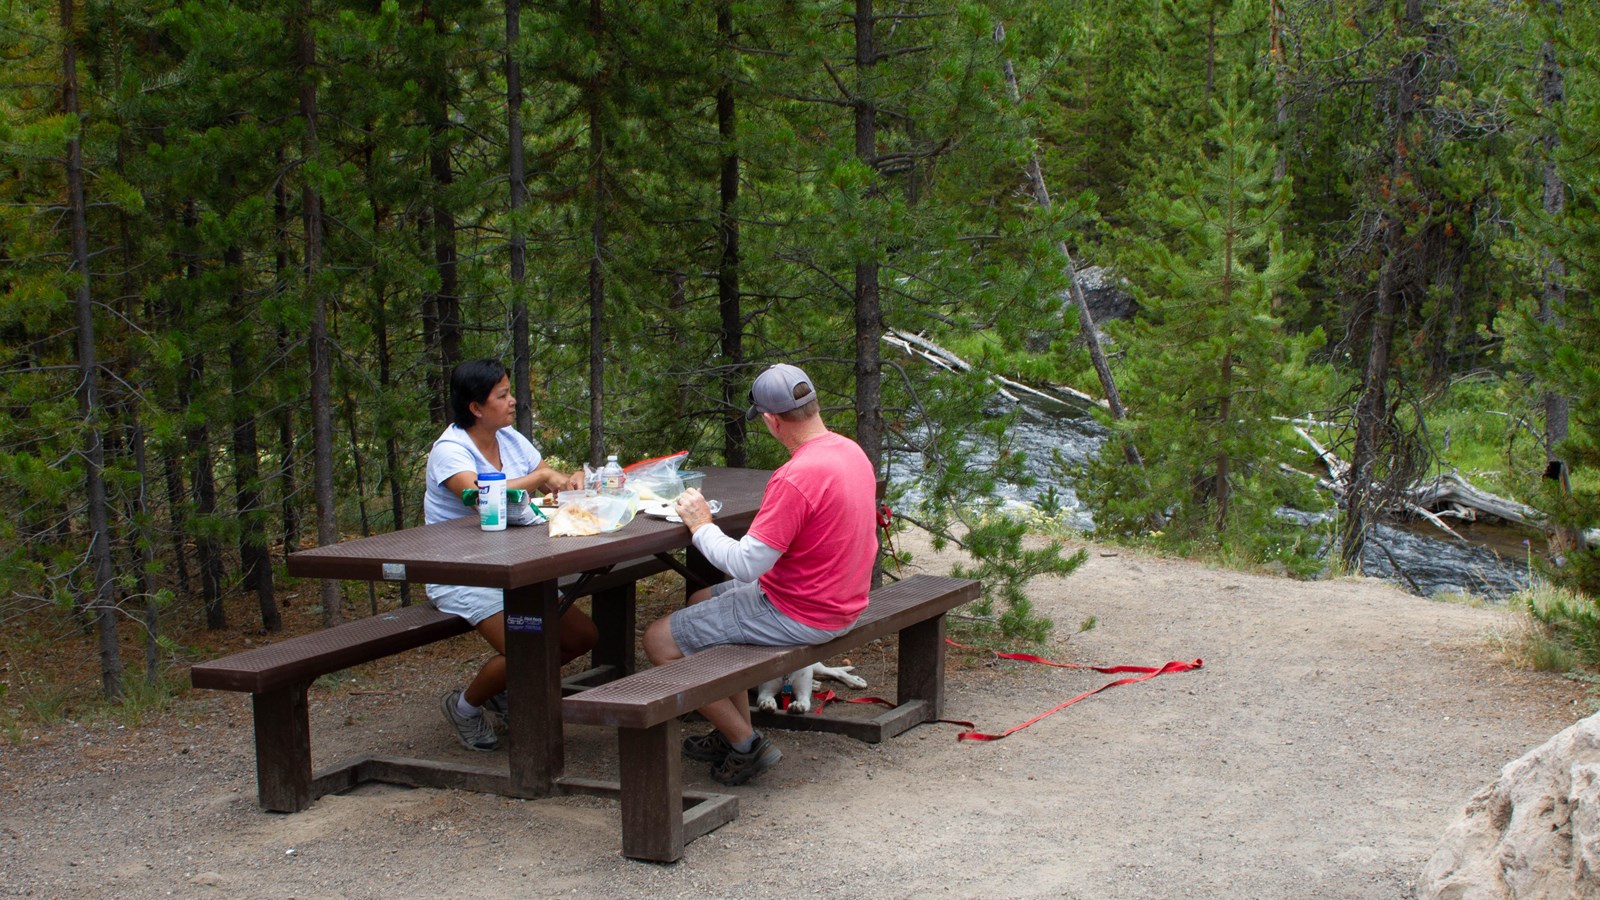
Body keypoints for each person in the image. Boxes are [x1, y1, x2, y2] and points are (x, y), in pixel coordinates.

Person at [642, 363, 877, 785]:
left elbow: (746, 564)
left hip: (800, 611)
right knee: (700, 602)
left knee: (659, 639)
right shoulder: (850, 451)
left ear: (771, 420)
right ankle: (728, 727)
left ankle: (746, 743)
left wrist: (699, 524)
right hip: (841, 600)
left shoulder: (795, 476)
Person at [425, 358, 598, 751]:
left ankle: (504, 688)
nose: (512, 401)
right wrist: (539, 479)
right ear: (476, 407)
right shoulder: (450, 451)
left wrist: (567, 482)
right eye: (502, 395)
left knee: (582, 637)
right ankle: (465, 707)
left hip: (516, 566)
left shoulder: (510, 439)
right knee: (529, 648)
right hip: (464, 572)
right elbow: (478, 498)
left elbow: (547, 477)